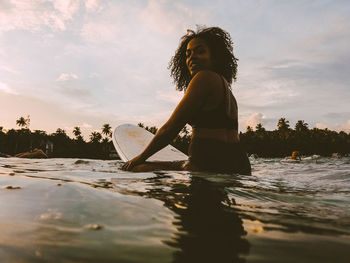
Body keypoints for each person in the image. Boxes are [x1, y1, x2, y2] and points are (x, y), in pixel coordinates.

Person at [122, 26, 251, 175]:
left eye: (200, 51)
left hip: (209, 165)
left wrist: (139, 158)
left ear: (214, 56)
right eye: (188, 54)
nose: (192, 57)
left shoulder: (204, 77)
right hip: (238, 164)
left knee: (137, 169)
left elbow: (171, 128)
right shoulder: (227, 91)